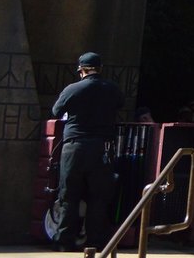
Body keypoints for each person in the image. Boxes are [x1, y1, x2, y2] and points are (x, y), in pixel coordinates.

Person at [50, 52, 123, 251]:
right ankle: (95, 242)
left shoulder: (72, 89)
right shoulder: (112, 89)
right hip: (101, 148)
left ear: (81, 70)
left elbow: (56, 111)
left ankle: (65, 241)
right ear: (100, 69)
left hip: (74, 147)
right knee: (98, 197)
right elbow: (120, 104)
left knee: (68, 195)